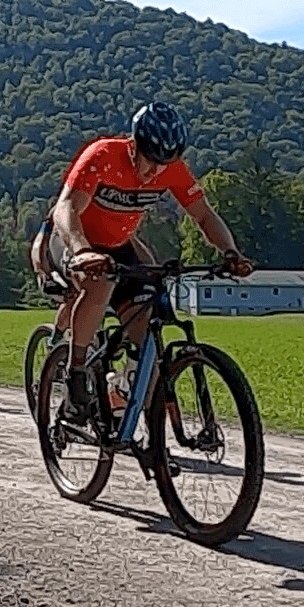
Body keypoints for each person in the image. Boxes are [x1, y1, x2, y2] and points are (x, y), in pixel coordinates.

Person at [39, 102, 254, 421]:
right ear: (134, 146)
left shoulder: (173, 169)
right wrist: (82, 250)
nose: (154, 172)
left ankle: (132, 404)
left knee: (145, 319)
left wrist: (230, 252)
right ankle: (76, 374)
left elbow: (205, 216)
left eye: (164, 164)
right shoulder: (103, 156)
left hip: (118, 246)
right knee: (98, 287)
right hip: (71, 237)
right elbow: (65, 209)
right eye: (150, 161)